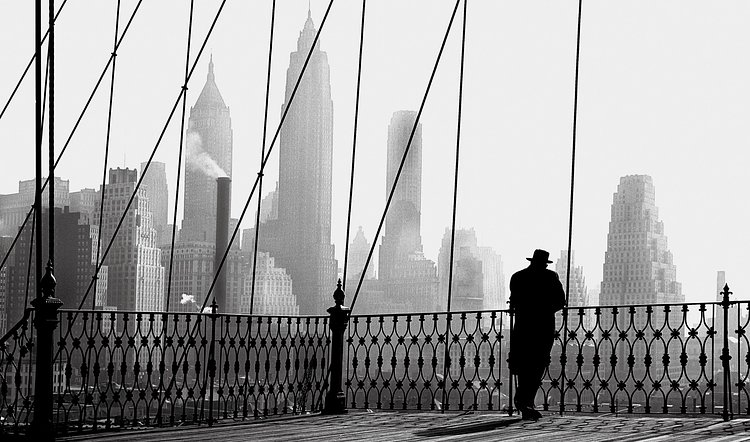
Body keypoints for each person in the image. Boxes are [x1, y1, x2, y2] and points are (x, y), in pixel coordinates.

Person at [509, 249, 565, 420]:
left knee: (523, 363)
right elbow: (561, 301)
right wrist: (543, 310)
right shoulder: (550, 277)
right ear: (544, 263)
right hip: (543, 327)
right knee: (537, 364)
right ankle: (526, 401)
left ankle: (523, 400)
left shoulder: (517, 277)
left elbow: (514, 301)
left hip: (523, 327)